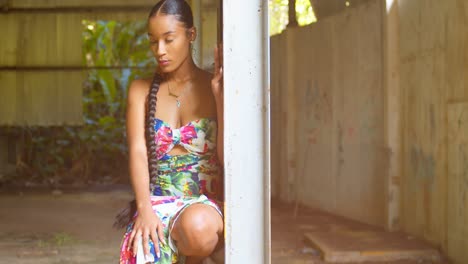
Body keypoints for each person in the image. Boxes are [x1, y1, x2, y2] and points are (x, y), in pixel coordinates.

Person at [116, 0, 224, 263]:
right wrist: (144, 209)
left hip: (205, 208)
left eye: (169, 39)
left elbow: (226, 155)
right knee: (147, 241)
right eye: (153, 41)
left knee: (197, 227)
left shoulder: (214, 87)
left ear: (191, 35)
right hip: (158, 206)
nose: (160, 50)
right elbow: (138, 152)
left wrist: (220, 99)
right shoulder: (140, 91)